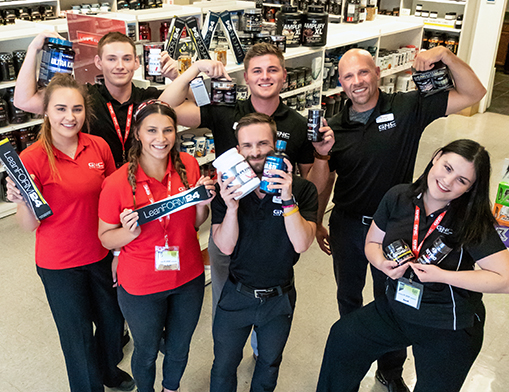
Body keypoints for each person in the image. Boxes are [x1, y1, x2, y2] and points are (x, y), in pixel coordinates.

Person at [315, 46, 487, 391]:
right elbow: (325, 181)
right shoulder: (334, 128)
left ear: (377, 72)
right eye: (348, 76)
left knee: (392, 298)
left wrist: (446, 56)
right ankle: (355, 353)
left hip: (398, 227)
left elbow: (474, 93)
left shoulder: (407, 106)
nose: (357, 82)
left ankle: (390, 372)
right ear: (340, 83)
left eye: (363, 72)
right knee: (349, 296)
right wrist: (318, 217)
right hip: (348, 225)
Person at [316, 139, 509, 392]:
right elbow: (373, 242)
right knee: (344, 339)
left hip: (447, 323)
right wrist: (382, 263)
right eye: (448, 168)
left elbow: (504, 279)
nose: (448, 182)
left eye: (462, 180)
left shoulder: (471, 219)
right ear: (436, 157)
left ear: (471, 188)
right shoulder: (399, 196)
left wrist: (443, 276)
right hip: (396, 307)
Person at [161, 42, 333, 321]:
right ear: (246, 77)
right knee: (224, 299)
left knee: (269, 303)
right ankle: (227, 344)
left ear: (284, 75)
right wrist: (194, 68)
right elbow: (165, 107)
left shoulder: (298, 124)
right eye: (257, 71)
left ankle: (262, 345)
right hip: (226, 221)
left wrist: (323, 158)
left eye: (272, 70)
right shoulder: (225, 110)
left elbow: (312, 185)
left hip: (274, 233)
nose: (264, 76)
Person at [6, 74, 134, 392]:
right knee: (76, 335)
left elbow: (114, 198)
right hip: (59, 264)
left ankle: (108, 370)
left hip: (101, 253)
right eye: (61, 108)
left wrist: (120, 251)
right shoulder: (32, 158)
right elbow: (28, 225)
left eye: (76, 109)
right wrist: (22, 200)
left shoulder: (99, 146)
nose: (70, 117)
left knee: (112, 323)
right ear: (46, 111)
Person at [97, 100, 215, 392]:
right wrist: (129, 233)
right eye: (151, 130)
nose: (160, 139)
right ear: (137, 133)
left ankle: (170, 388)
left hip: (188, 275)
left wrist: (204, 205)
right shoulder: (117, 183)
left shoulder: (187, 164)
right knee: (147, 352)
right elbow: (105, 237)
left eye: (168, 130)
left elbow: (195, 223)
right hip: (141, 285)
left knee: (179, 347)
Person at [209, 113, 318, 392]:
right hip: (236, 295)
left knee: (269, 366)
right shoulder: (229, 192)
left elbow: (302, 244)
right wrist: (231, 208)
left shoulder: (302, 190)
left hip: (278, 300)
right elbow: (225, 246)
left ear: (276, 145)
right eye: (247, 146)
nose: (255, 152)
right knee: (223, 365)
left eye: (262, 144)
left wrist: (287, 198)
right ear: (238, 150)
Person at [14, 30, 181, 168]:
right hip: (96, 183)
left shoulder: (148, 99)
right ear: (98, 62)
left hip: (142, 183)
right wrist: (32, 49)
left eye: (127, 59)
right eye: (111, 59)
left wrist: (178, 77)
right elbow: (24, 101)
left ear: (136, 63)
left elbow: (195, 105)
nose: (120, 66)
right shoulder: (85, 98)